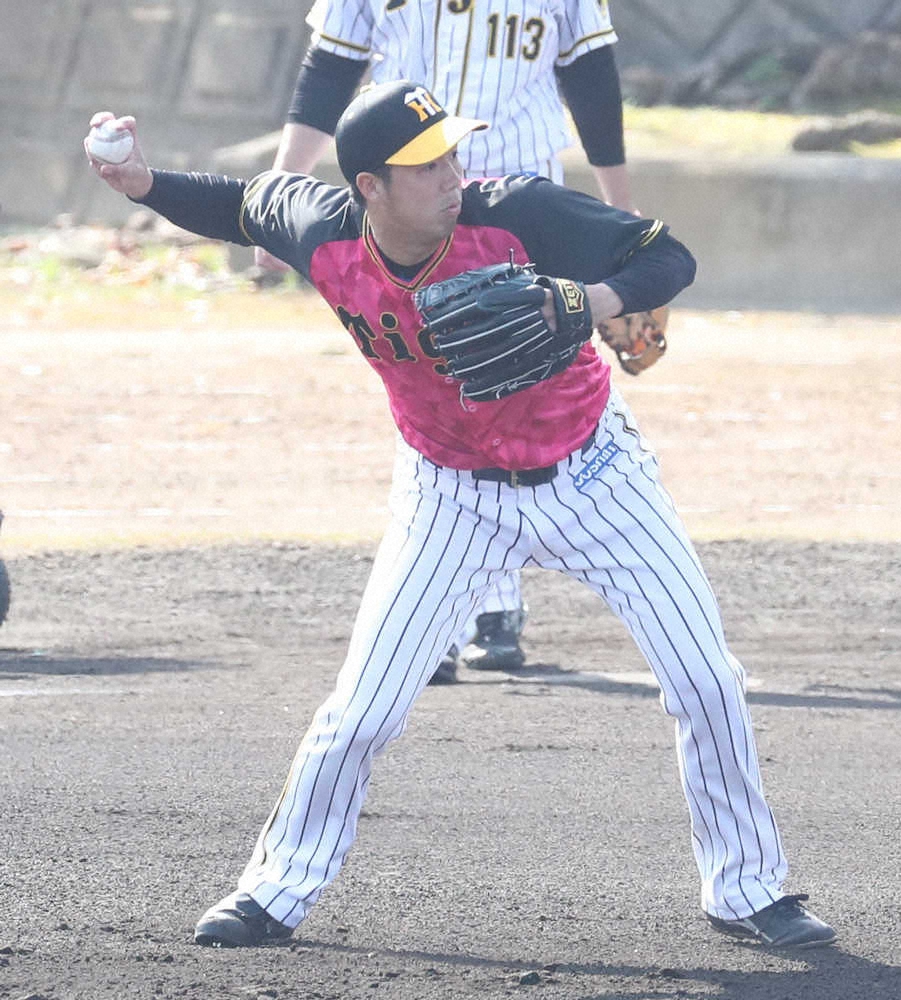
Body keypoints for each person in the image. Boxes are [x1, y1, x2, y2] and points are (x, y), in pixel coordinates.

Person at [86, 80, 836, 952]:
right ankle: (275, 889)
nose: (452, 173)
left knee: (707, 682)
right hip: (448, 494)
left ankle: (746, 889)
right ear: (369, 187)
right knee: (362, 709)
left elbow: (668, 257)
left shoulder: (516, 210)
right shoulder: (325, 231)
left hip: (596, 475)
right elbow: (238, 205)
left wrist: (586, 301)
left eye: (450, 153)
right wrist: (139, 180)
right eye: (425, 164)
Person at [260, 0, 638, 683]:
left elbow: (590, 72)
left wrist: (617, 214)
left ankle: (493, 605)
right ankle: (439, 613)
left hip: (517, 204)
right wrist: (282, 188)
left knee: (517, 387)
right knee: (430, 396)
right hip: (401, 206)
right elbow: (332, 64)